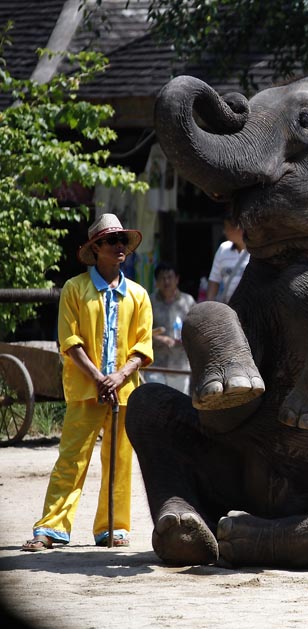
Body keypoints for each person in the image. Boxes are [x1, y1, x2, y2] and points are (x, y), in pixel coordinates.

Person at [21, 214, 153, 551]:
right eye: (111, 241)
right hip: (84, 390)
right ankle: (51, 527)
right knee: (72, 459)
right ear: (95, 248)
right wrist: (99, 378)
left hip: (125, 393)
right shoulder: (74, 289)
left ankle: (114, 527)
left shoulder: (138, 295)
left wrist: (119, 377)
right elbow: (69, 341)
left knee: (120, 461)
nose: (119, 246)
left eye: (122, 240)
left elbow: (142, 347)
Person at [146, 261, 196, 395]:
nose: (166, 281)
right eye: (162, 278)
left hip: (180, 365)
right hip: (156, 364)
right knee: (156, 403)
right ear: (156, 282)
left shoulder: (188, 301)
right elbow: (140, 332)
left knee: (180, 404)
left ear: (177, 279)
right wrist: (159, 338)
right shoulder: (149, 302)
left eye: (170, 277)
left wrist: (187, 337)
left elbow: (197, 329)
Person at [205, 217, 249, 304]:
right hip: (229, 306)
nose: (224, 231)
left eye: (227, 227)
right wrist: (209, 306)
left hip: (252, 307)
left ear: (238, 227)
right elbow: (214, 280)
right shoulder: (223, 248)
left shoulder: (256, 251)